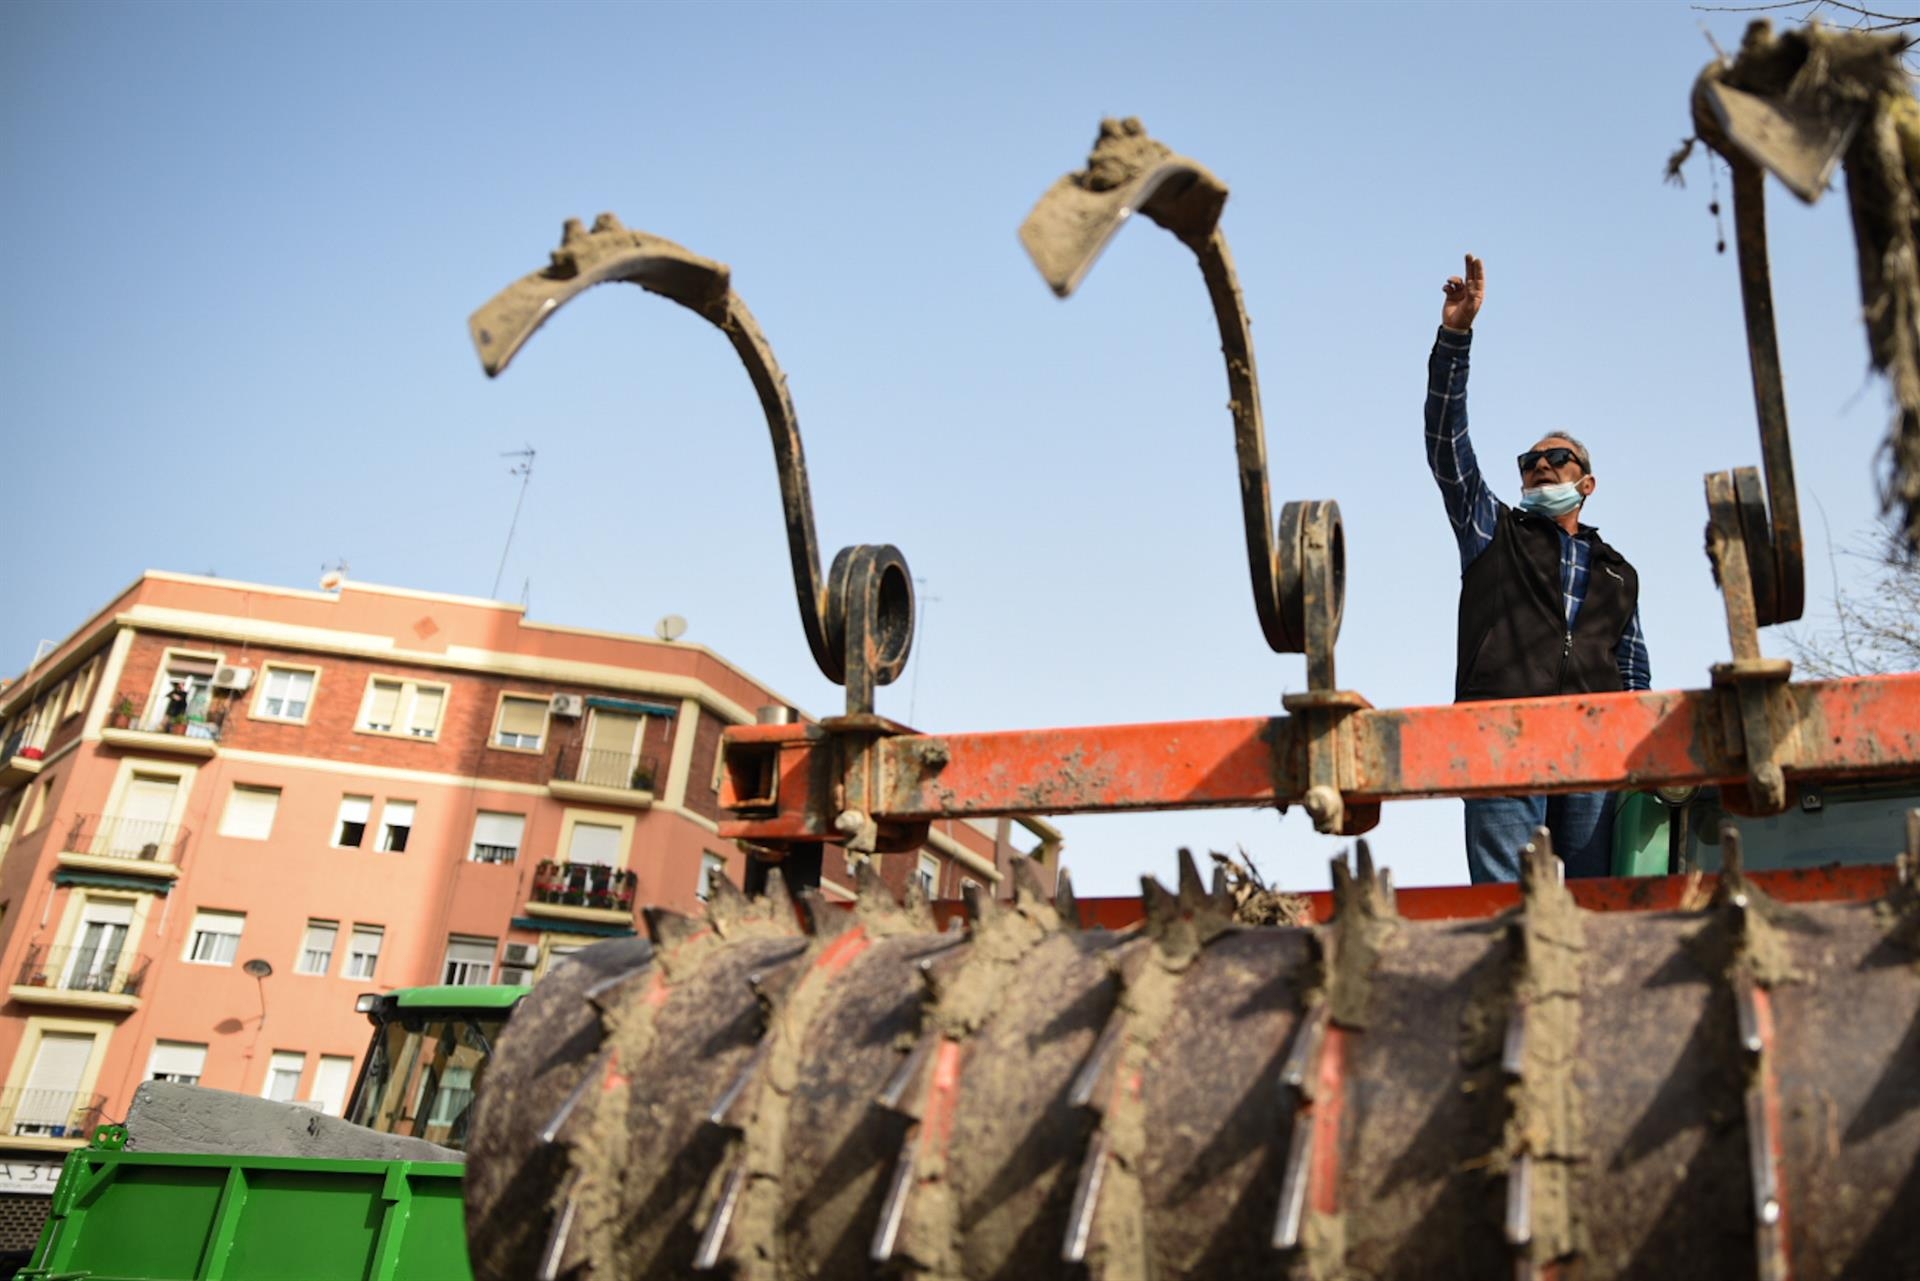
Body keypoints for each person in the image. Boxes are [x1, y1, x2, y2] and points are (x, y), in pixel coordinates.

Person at [1424, 254, 1651, 882]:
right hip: (1501, 733)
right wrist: (1456, 337)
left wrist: (1635, 751)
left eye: (1558, 457)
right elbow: (1445, 442)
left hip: (1594, 748)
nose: (1540, 466)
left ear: (1588, 483)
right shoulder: (1490, 530)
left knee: (1592, 905)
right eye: (1530, 459)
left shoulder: (1616, 573)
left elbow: (1632, 668)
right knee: (1507, 906)